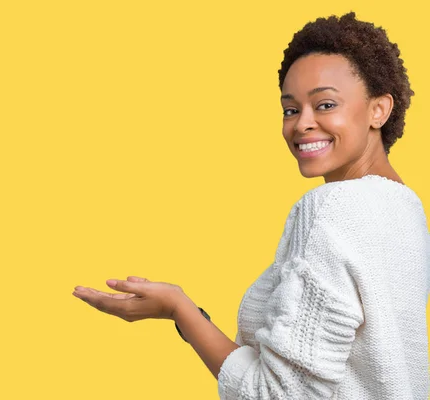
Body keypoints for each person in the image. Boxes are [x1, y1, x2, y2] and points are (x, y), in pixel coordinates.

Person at [71, 12, 430, 399]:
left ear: (379, 110)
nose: (301, 124)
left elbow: (275, 394)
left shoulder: (332, 209)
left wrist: (180, 309)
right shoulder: (407, 210)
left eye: (325, 105)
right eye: (290, 110)